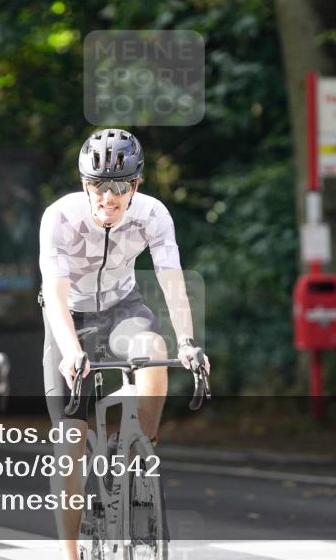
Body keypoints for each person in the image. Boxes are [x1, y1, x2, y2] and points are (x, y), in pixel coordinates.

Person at [38, 128, 210, 560]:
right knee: (69, 442)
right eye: (98, 185)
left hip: (122, 309)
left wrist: (188, 342)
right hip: (69, 317)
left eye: (119, 186)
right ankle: (71, 553)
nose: (107, 197)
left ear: (136, 185)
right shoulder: (59, 217)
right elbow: (55, 297)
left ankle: (137, 455)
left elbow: (173, 285)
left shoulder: (153, 215)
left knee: (154, 349)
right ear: (84, 184)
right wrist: (72, 351)